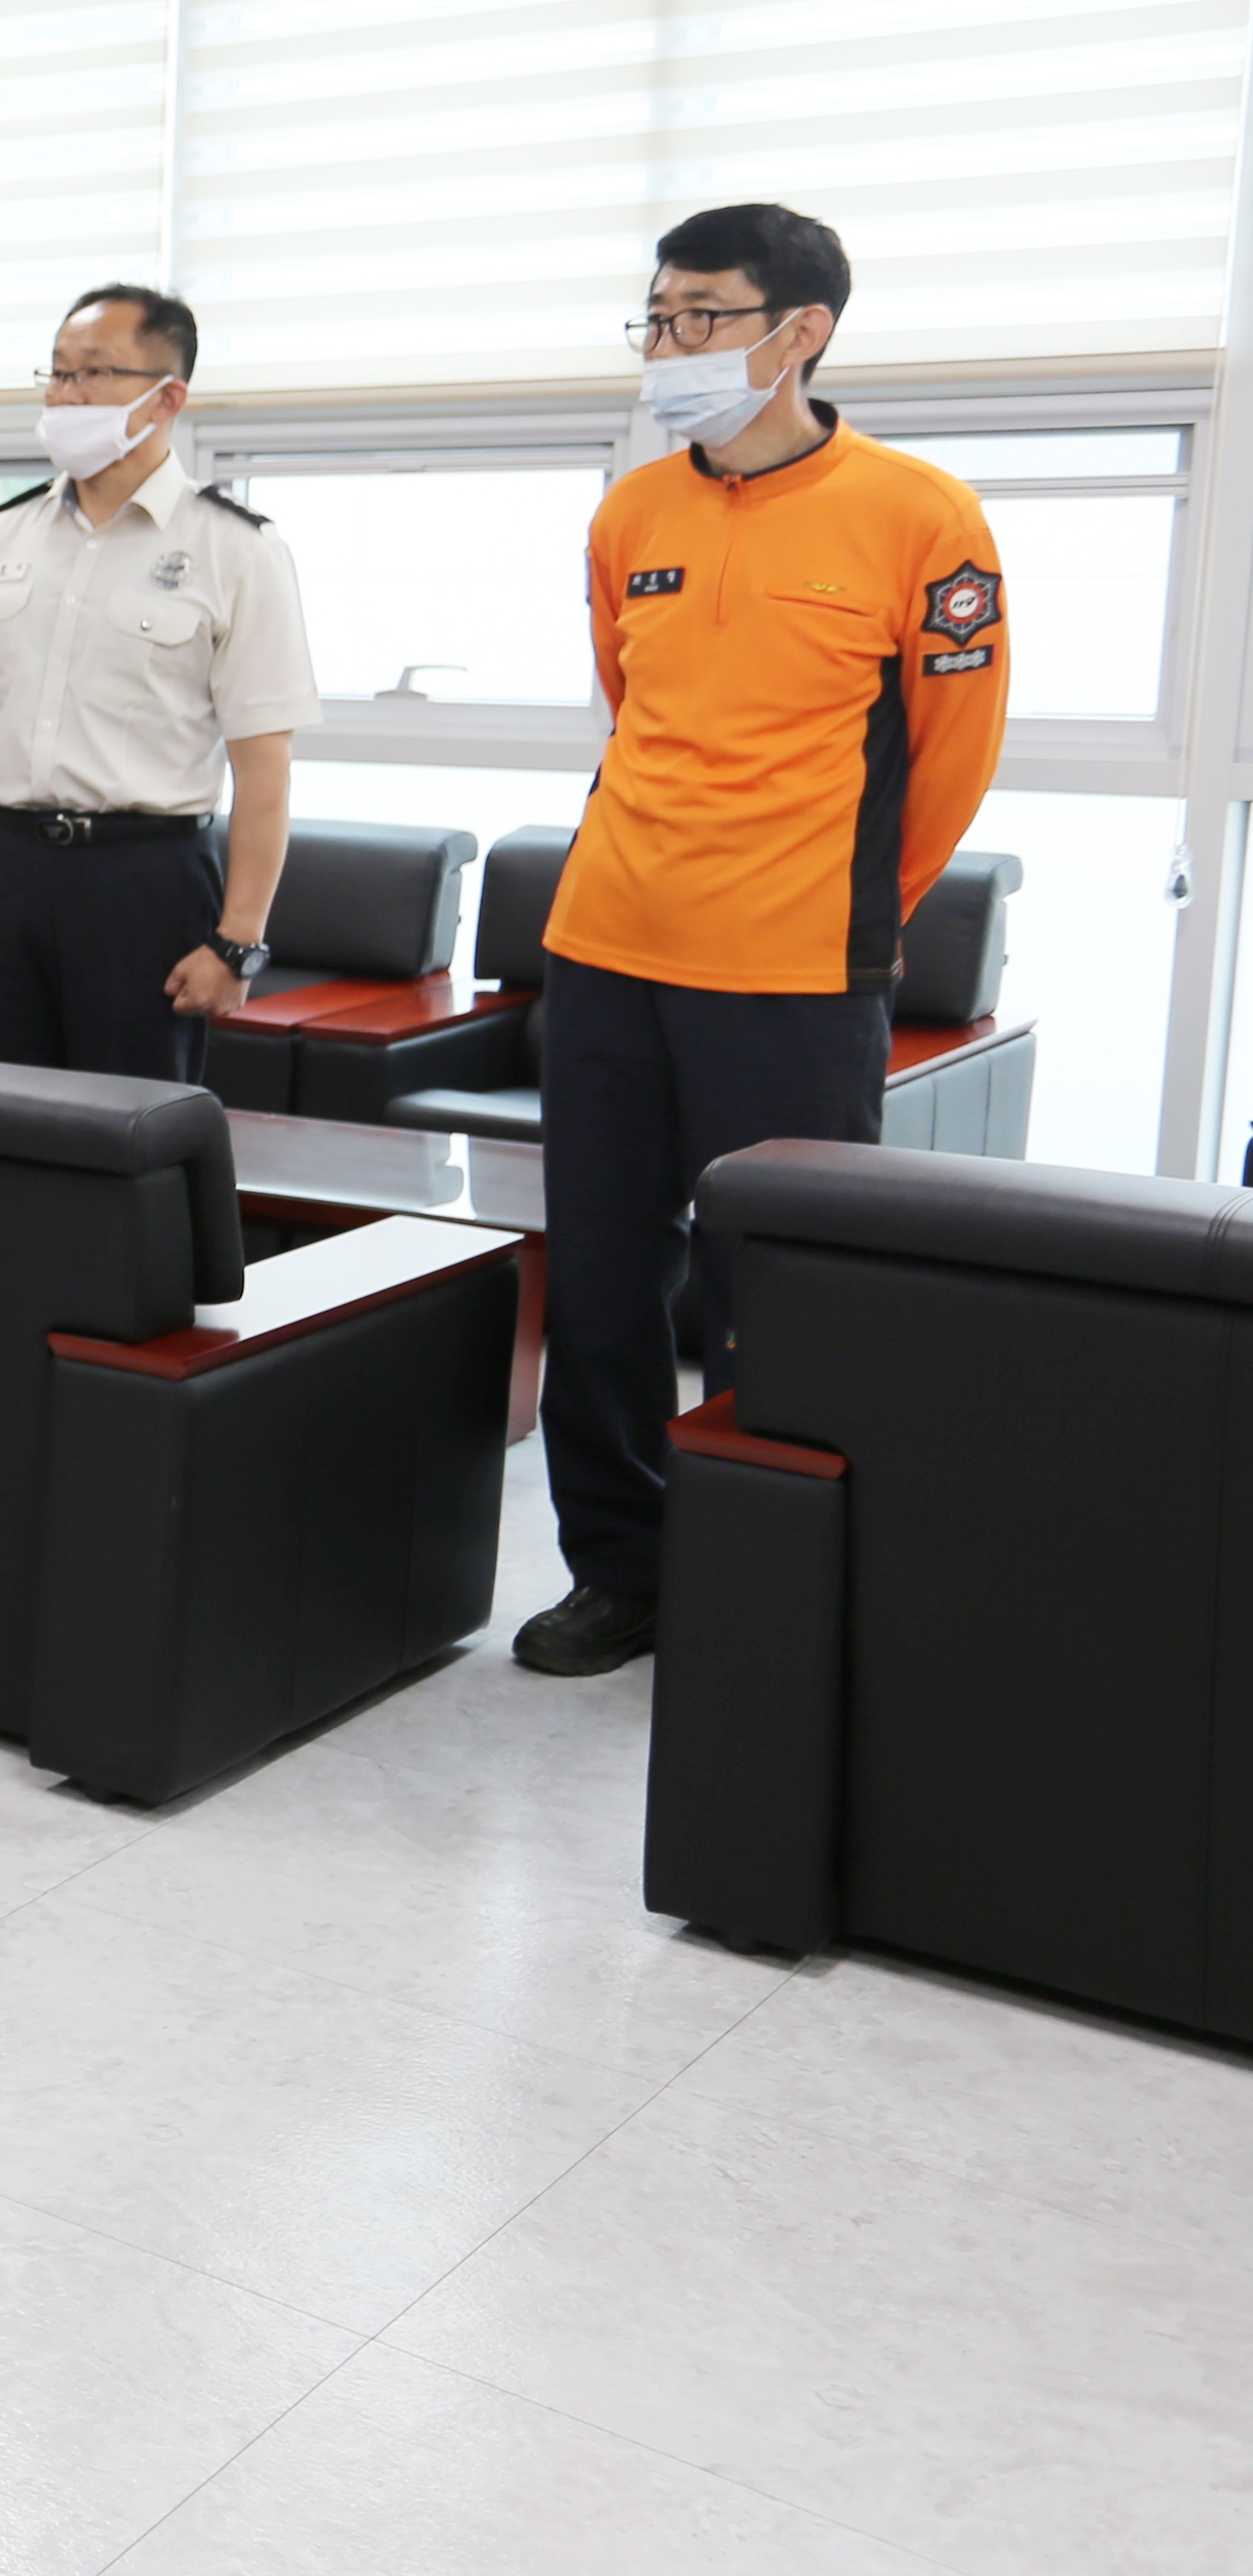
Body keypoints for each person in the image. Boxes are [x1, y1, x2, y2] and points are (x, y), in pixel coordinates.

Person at [517, 203, 1008, 1675]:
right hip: (605, 948)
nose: (667, 344)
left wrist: (850, 911)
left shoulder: (920, 514)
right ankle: (619, 1568)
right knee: (602, 1284)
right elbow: (630, 711)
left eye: (701, 316)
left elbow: (952, 753)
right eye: (656, 316)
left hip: (791, 976)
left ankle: (762, 1580)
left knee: (776, 1295)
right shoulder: (631, 514)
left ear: (802, 331)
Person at [0, 286, 321, 1081]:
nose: (67, 396)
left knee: (127, 1124)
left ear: (167, 399)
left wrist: (238, 941)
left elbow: (264, 769)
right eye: (57, 374)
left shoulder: (237, 549)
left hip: (144, 877)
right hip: (8, 866)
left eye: (93, 373)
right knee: (3, 1118)